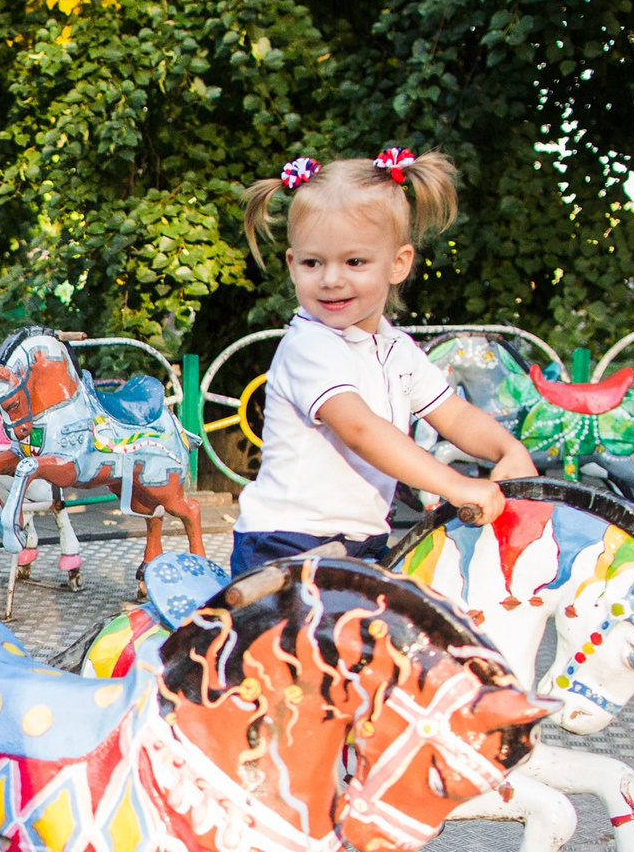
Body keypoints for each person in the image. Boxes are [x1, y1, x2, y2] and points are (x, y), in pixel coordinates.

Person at [229, 150, 536, 578]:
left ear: (398, 264)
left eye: (354, 262)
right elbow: (360, 430)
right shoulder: (310, 347)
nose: (331, 279)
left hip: (363, 540)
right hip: (286, 542)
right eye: (313, 262)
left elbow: (454, 415)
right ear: (293, 265)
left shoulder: (397, 349)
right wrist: (455, 484)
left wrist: (509, 449)